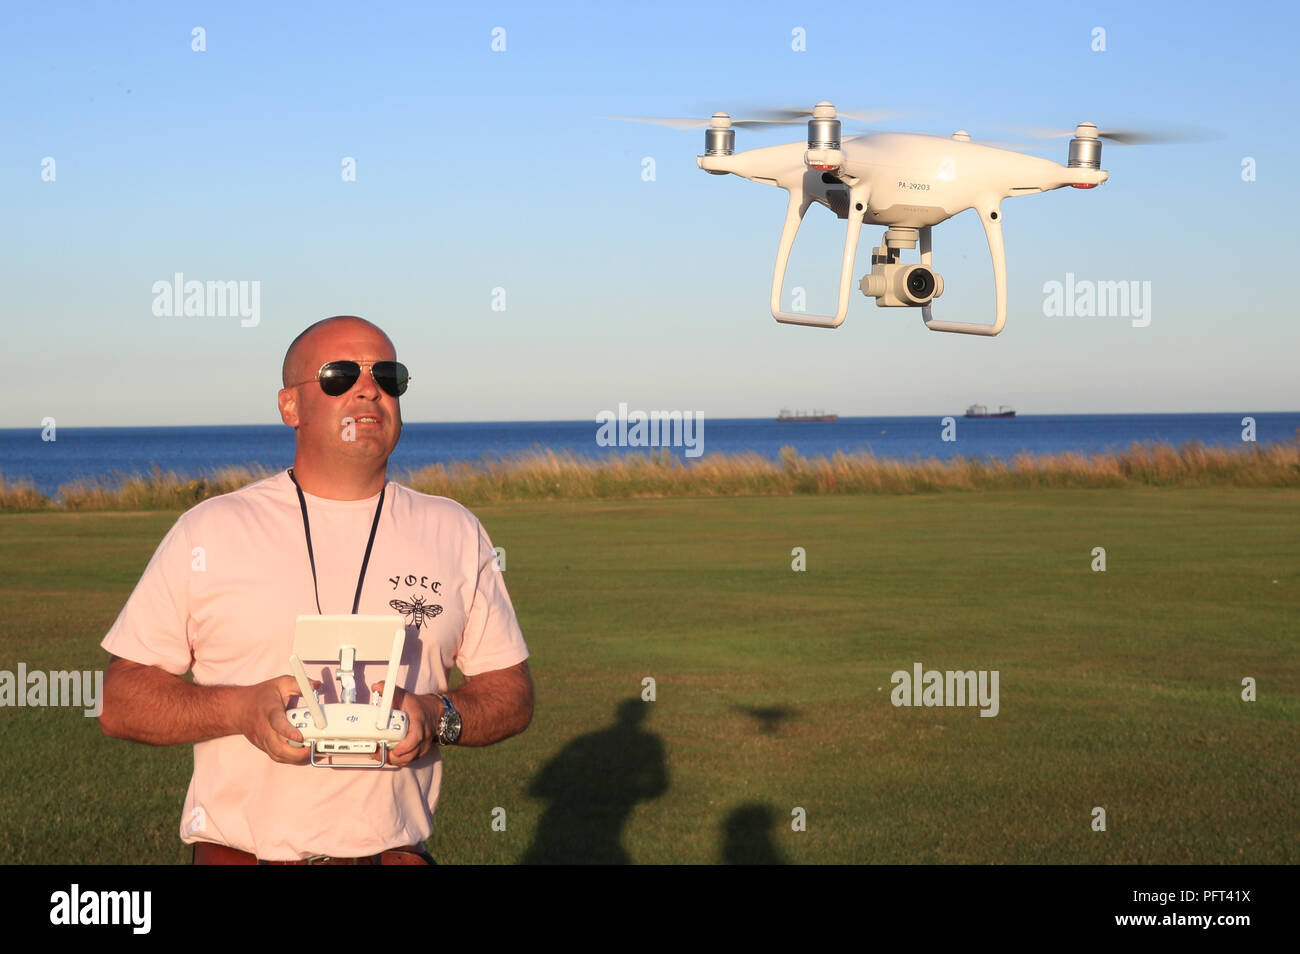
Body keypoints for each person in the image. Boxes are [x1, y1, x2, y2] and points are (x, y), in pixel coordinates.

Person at [98, 315, 532, 864]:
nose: (369, 388)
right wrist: (240, 711)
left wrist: (435, 713)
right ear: (290, 407)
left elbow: (511, 693)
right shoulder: (211, 530)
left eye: (388, 376)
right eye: (339, 375)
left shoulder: (453, 530)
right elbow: (119, 702)